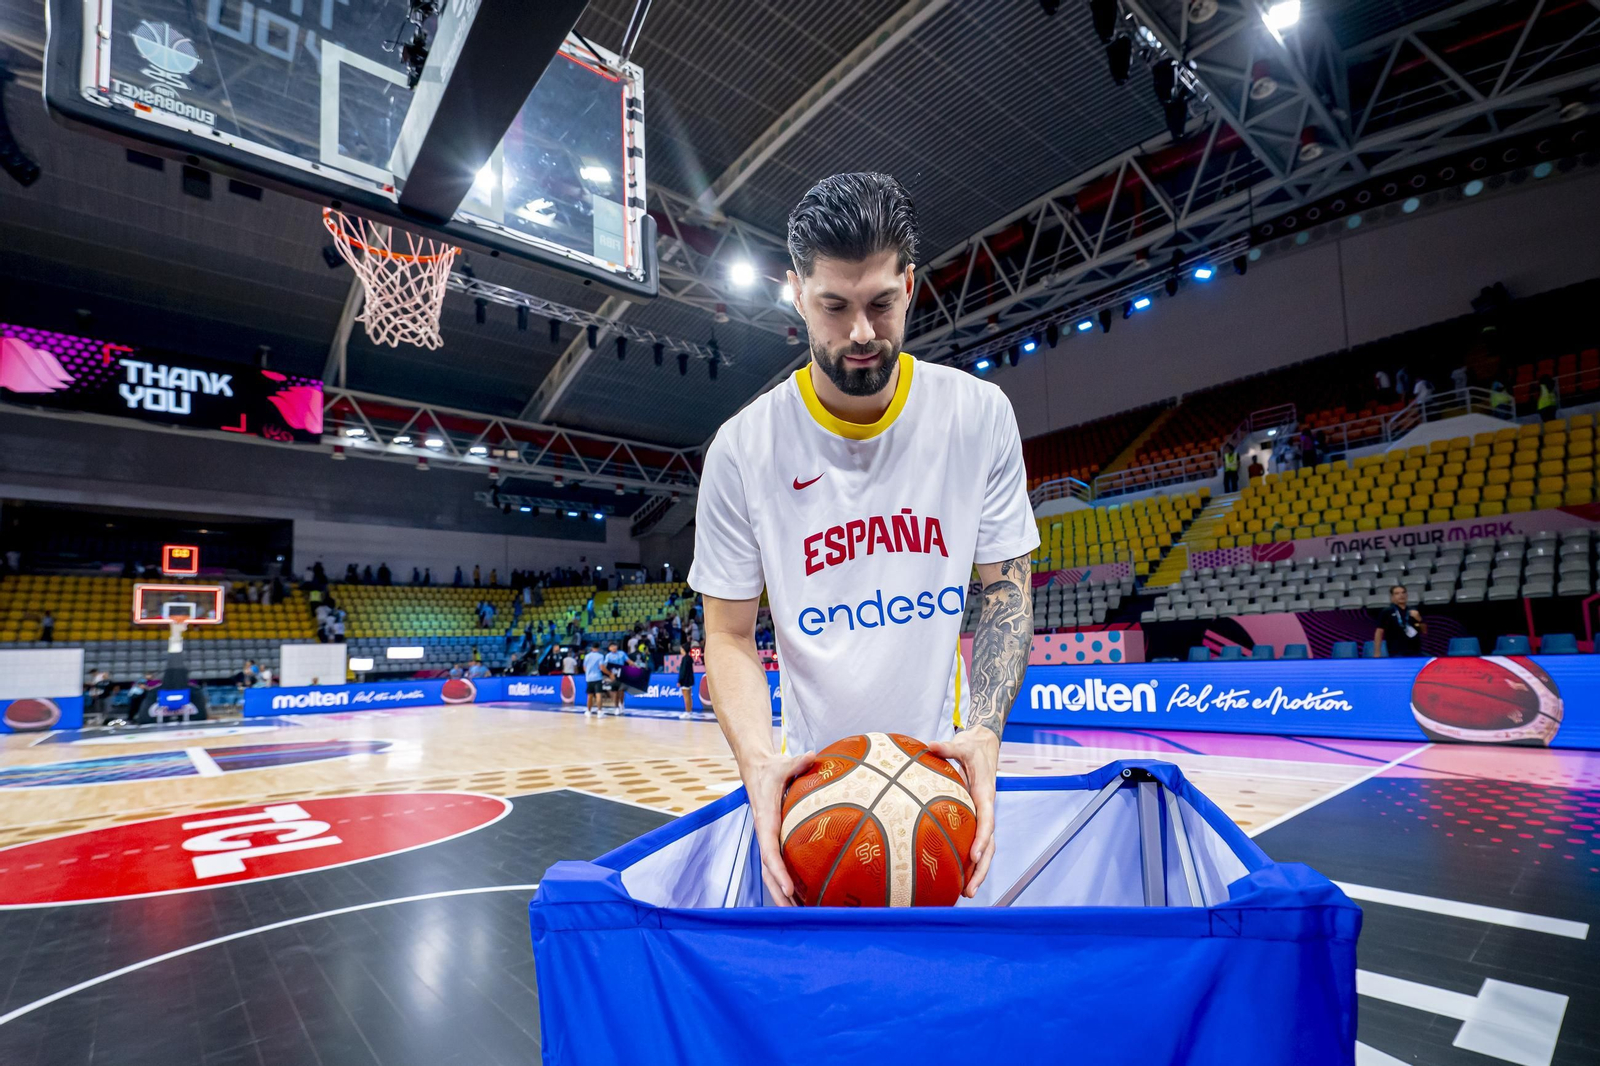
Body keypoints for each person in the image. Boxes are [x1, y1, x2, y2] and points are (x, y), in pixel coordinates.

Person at [689, 172, 1037, 905]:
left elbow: (1006, 591)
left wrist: (984, 731)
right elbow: (726, 634)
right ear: (795, 292)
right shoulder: (742, 449)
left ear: (910, 284)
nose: (860, 334)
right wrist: (757, 760)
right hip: (813, 803)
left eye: (881, 303)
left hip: (946, 787)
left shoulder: (978, 416)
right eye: (834, 306)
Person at [1374, 585, 1427, 657]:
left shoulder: (1414, 611)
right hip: (1396, 652)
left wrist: (1419, 619)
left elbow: (1424, 631)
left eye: (1403, 593)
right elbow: (1379, 632)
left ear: (1407, 595)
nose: (1401, 595)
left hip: (1416, 651)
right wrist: (1377, 652)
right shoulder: (1387, 612)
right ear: (1392, 597)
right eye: (1397, 593)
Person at [603, 641, 629, 712]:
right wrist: (609, 674)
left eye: (615, 646)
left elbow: (628, 661)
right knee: (615, 692)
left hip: (622, 674)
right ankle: (616, 707)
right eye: (612, 646)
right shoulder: (608, 656)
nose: (614, 647)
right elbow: (605, 666)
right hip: (614, 675)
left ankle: (622, 704)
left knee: (622, 691)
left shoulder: (622, 653)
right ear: (609, 648)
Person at [582, 643, 605, 716]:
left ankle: (588, 711)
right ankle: (599, 712)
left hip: (589, 678)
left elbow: (584, 668)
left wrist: (589, 673)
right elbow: (601, 667)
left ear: (591, 648)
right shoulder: (600, 656)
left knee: (590, 695)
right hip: (597, 677)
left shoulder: (587, 656)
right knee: (599, 695)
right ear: (598, 648)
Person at [677, 643, 697, 719]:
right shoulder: (689, 658)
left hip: (685, 680)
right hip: (689, 680)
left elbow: (683, 671)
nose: (680, 650)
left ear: (684, 649)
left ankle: (687, 712)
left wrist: (679, 680)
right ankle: (689, 711)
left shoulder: (685, 659)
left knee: (686, 697)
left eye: (681, 649)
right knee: (689, 696)